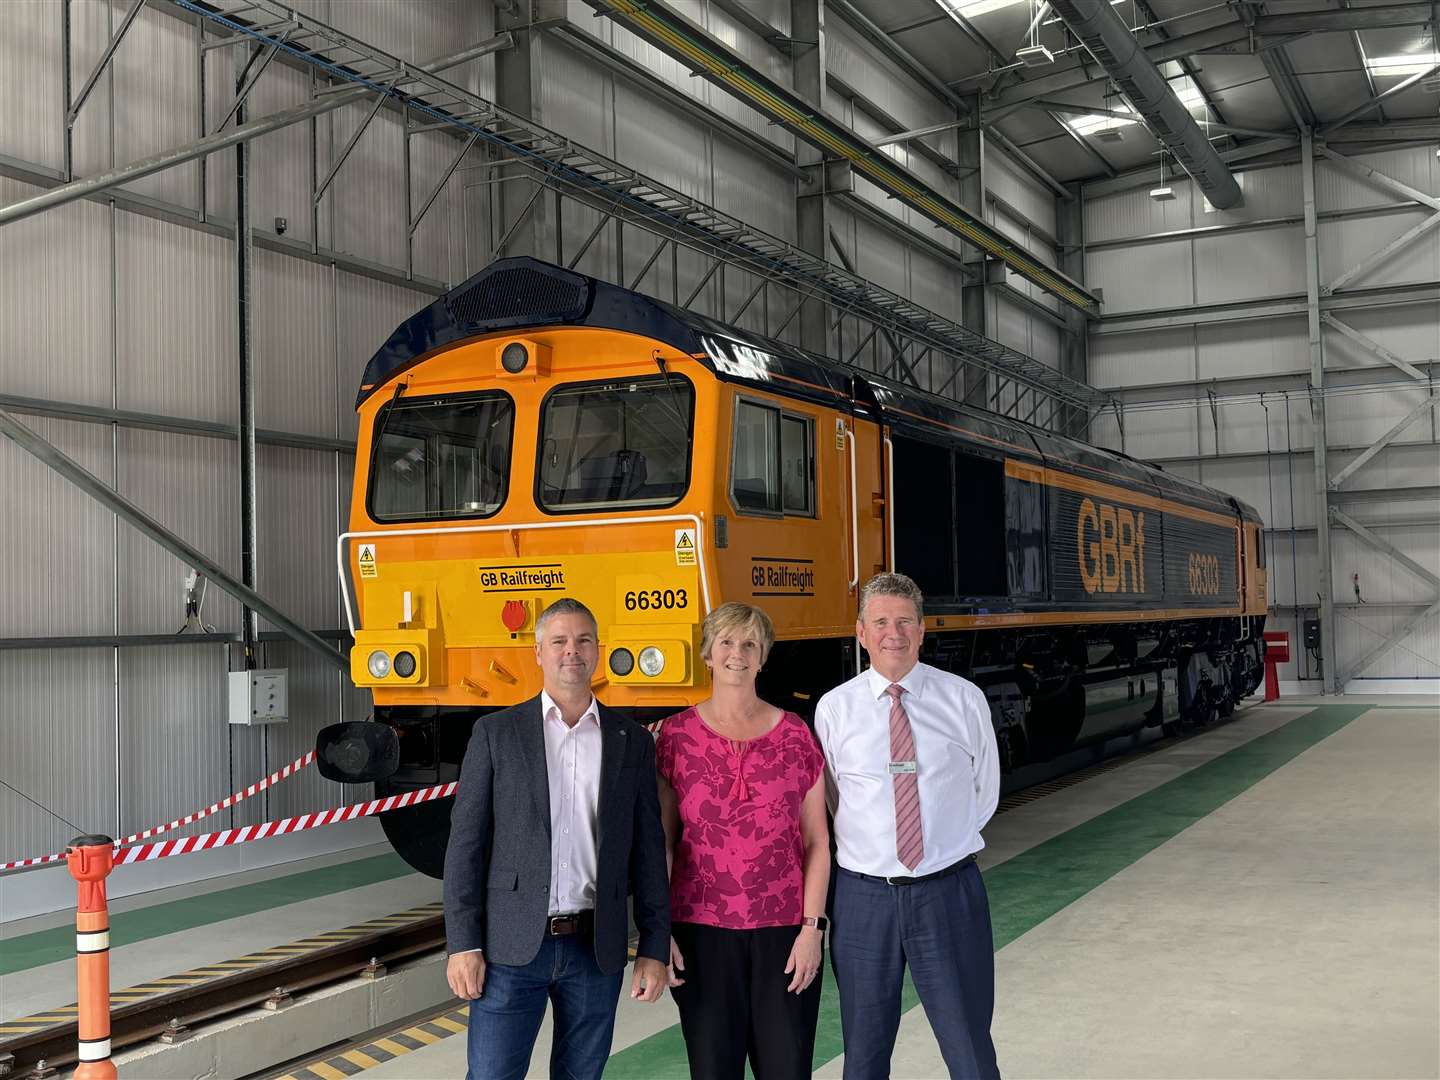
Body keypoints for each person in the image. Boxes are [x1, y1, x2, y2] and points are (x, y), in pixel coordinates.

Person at [443, 597, 671, 1080]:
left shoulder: (630, 741)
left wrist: (654, 944)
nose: (573, 651)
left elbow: (649, 852)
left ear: (598, 651)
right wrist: (463, 944)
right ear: (538, 652)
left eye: (584, 640)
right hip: (510, 948)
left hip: (595, 948)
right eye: (560, 641)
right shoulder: (495, 733)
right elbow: (465, 847)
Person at [814, 573, 1001, 1080]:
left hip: (948, 891)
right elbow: (833, 799)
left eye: (903, 622)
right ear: (860, 632)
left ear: (922, 631)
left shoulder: (963, 699)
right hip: (863, 900)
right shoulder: (834, 709)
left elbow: (984, 791)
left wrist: (941, 843)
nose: (892, 633)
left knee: (969, 1048)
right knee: (865, 1052)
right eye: (880, 622)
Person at [655, 602, 830, 1080]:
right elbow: (664, 843)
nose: (737, 653)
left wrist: (812, 929)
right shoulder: (675, 737)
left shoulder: (795, 735)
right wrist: (659, 930)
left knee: (787, 1069)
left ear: (763, 657)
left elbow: (817, 841)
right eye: (726, 642)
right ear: (707, 654)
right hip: (700, 935)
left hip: (784, 934)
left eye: (749, 644)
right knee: (712, 1071)